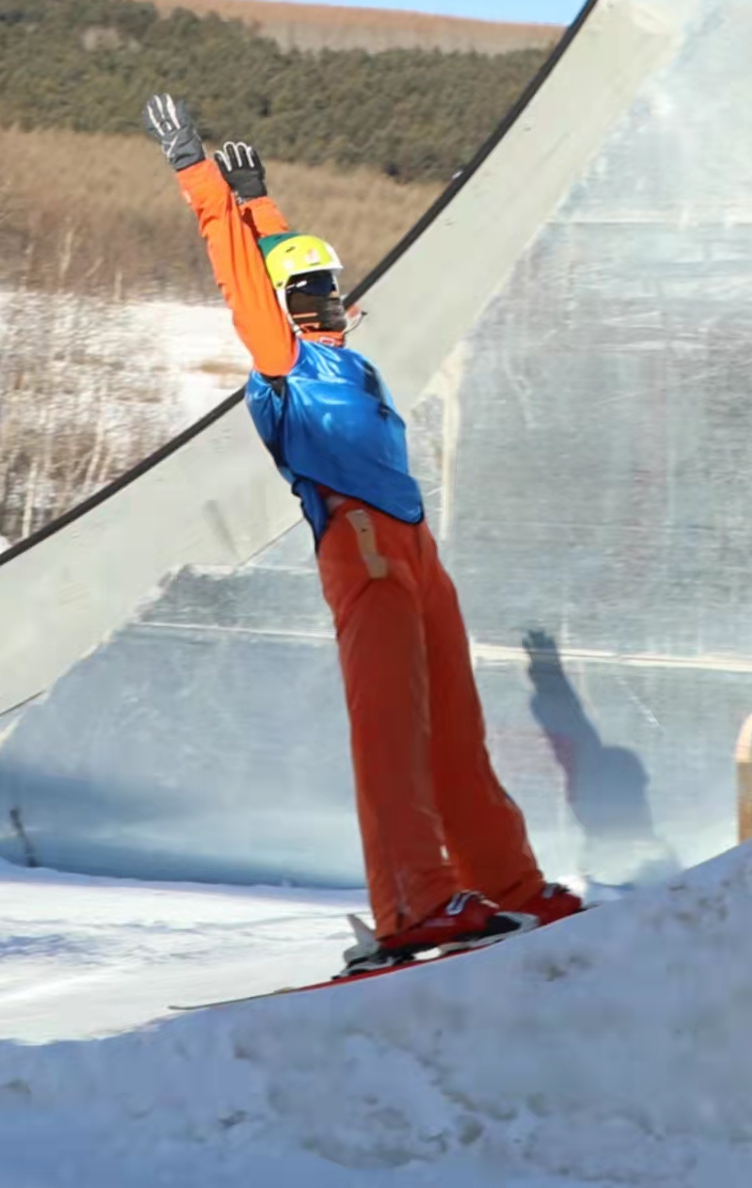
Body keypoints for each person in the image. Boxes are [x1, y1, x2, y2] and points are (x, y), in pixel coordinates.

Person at [142, 93, 581, 973]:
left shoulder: (346, 356)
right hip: (362, 545)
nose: (326, 302)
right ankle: (412, 901)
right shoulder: (284, 364)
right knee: (390, 733)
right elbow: (249, 287)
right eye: (311, 294)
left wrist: (265, 204)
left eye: (330, 290)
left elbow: (287, 267)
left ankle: (505, 883)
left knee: (455, 731)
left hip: (416, 547)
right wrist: (203, 182)